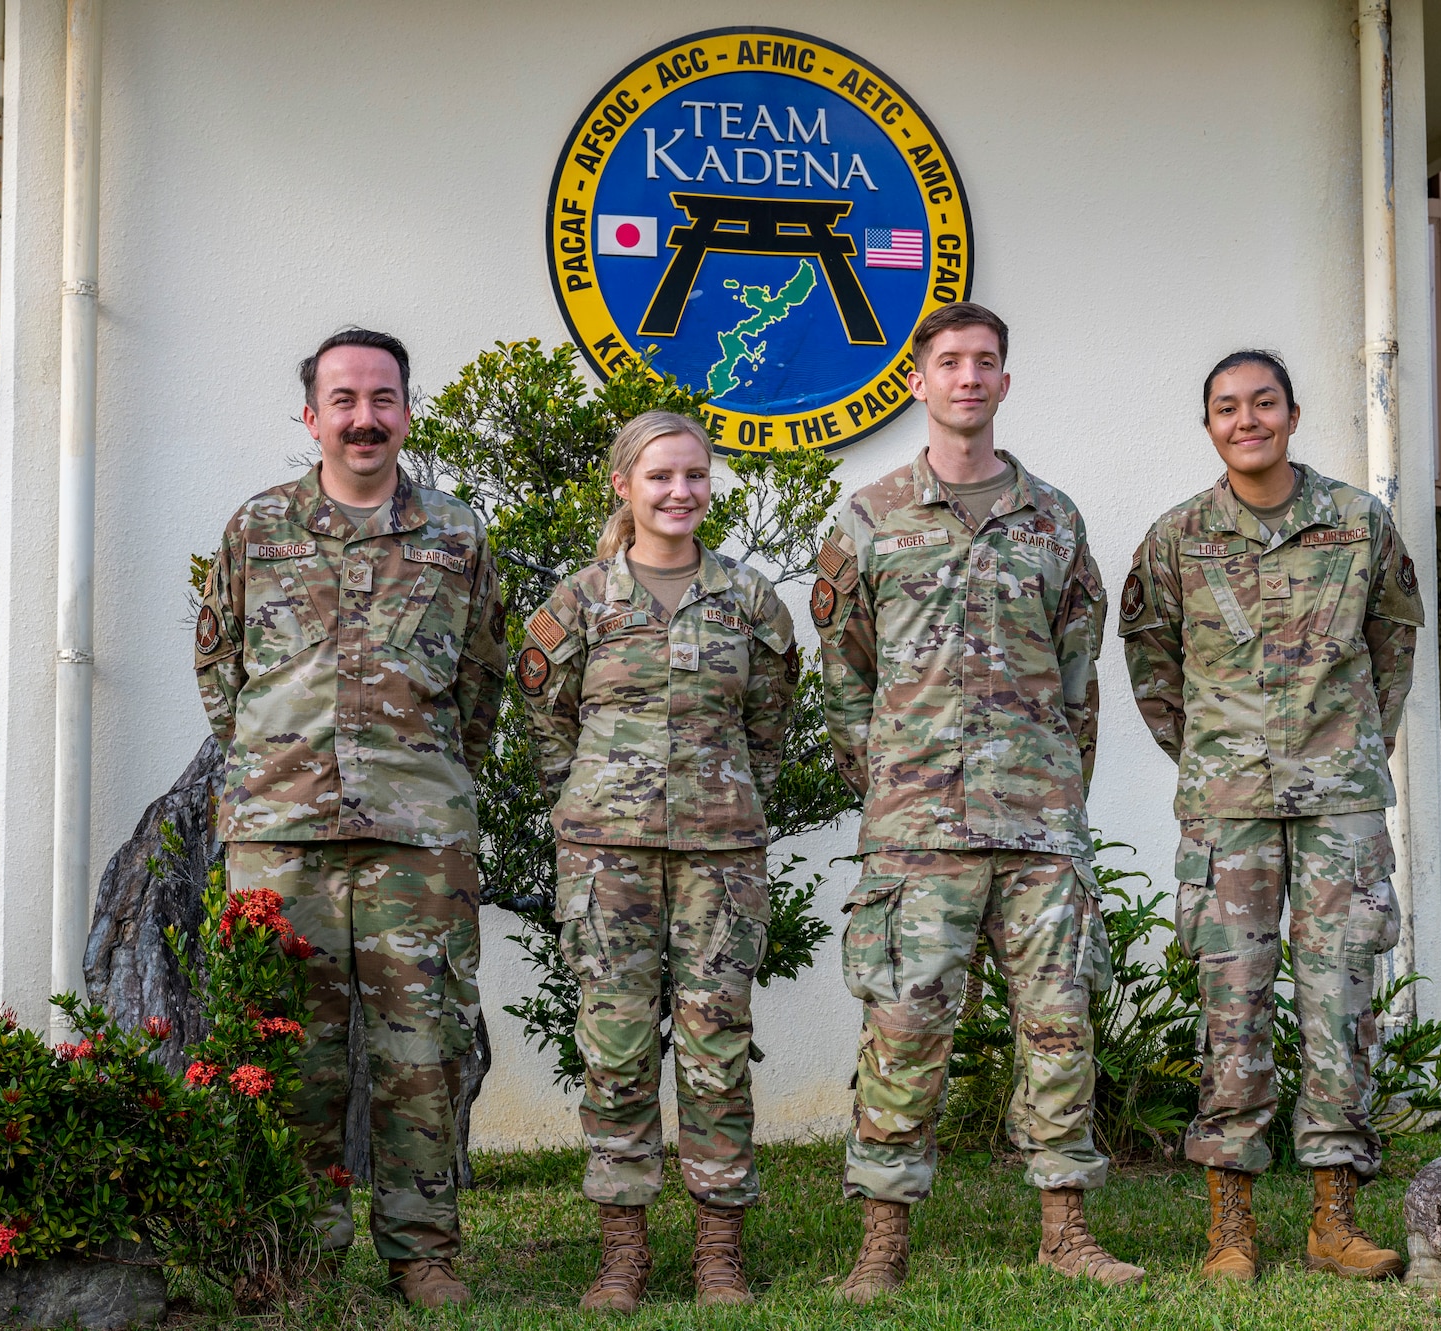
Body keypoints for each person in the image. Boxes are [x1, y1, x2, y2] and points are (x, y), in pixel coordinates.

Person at [814, 301, 1142, 1302]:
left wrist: (1055, 788)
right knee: (903, 1032)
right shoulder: (866, 518)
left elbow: (1079, 673)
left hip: (1038, 822)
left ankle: (1066, 1228)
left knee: (1059, 1026)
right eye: (948, 362)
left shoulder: (1054, 518)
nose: (966, 377)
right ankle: (881, 1242)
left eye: (984, 362)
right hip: (916, 830)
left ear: (1004, 382)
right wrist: (892, 787)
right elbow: (843, 678)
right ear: (917, 381)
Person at [193, 327, 506, 1307]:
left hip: (419, 839)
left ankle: (422, 1252)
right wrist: (277, 768)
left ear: (407, 412)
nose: (363, 416)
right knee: (286, 1049)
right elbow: (221, 671)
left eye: (382, 397)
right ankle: (297, 1248)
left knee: (425, 1047)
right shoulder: (257, 531)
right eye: (343, 399)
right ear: (312, 416)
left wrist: (426, 777)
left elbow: (480, 681)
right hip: (280, 840)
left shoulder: (457, 535)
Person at [1119, 350, 1423, 1284]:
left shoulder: (1360, 523)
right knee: (1232, 1007)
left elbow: (1394, 643)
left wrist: (1348, 745)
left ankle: (1335, 1219)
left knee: (1342, 1003)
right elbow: (1151, 664)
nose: (1245, 419)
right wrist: (1214, 757)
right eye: (1225, 407)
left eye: (1262, 403)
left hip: (1341, 803)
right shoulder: (1178, 537)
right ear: (1207, 425)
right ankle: (1230, 1226)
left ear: (1293, 413)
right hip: (1230, 810)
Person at [522, 411, 800, 1312]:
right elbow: (547, 727)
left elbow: (768, 725)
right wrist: (595, 803)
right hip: (608, 863)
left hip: (721, 860)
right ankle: (623, 1252)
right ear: (624, 486)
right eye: (661, 477)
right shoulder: (579, 602)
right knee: (616, 1050)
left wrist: (718, 798)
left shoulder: (751, 602)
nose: (679, 492)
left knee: (719, 1051)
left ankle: (720, 1250)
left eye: (695, 476)